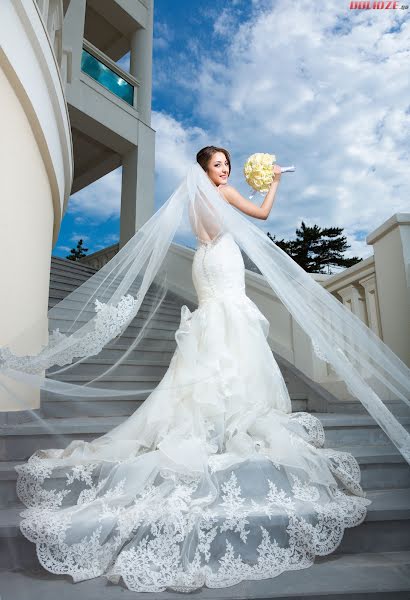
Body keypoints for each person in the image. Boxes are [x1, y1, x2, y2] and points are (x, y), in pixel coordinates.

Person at [6, 146, 410, 593]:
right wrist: (273, 181)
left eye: (227, 166)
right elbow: (259, 214)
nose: (225, 171)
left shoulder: (195, 199)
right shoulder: (220, 194)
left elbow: (208, 231)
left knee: (216, 329)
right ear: (205, 171)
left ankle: (217, 412)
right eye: (218, 166)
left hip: (205, 260)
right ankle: (225, 417)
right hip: (220, 259)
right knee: (230, 322)